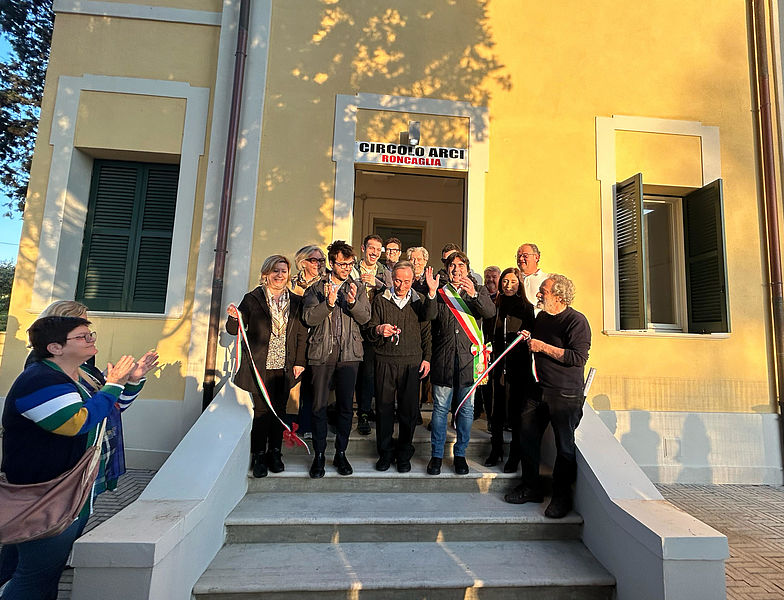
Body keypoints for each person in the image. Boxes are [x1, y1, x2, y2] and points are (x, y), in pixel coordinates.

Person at [0, 316, 157, 599]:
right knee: (36, 577)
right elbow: (76, 422)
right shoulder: (40, 381)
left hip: (72, 489)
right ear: (55, 347)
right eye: (82, 336)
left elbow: (108, 409)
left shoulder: (81, 374)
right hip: (47, 493)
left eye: (90, 334)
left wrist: (131, 381)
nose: (91, 340)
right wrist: (113, 384)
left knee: (30, 566)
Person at [504, 274, 591, 519]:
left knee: (565, 446)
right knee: (527, 437)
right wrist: (528, 336)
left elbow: (577, 358)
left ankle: (561, 498)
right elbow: (535, 341)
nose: (539, 294)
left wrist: (542, 346)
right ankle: (530, 487)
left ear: (559, 296)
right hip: (537, 389)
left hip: (565, 394)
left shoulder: (576, 321)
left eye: (544, 291)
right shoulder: (541, 317)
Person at [226, 255, 308, 478]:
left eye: (283, 271)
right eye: (275, 271)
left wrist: (300, 362)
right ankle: (259, 455)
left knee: (280, 410)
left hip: (285, 366)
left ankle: (275, 453)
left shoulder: (296, 301)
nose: (280, 275)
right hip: (260, 366)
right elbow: (234, 330)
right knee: (262, 412)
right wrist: (233, 318)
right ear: (266, 274)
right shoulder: (252, 299)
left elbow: (301, 334)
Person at [303, 240, 371, 478]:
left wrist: (352, 303)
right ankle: (319, 455)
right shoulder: (316, 289)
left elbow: (365, 318)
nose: (346, 268)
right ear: (332, 263)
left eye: (350, 264)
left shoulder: (357, 288)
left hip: (350, 354)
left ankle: (341, 453)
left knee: (345, 407)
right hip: (322, 353)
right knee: (319, 406)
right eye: (342, 264)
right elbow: (308, 318)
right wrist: (328, 304)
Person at [366, 261, 437, 472]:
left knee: (409, 412)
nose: (401, 285)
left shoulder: (420, 300)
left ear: (413, 280)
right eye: (397, 280)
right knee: (384, 410)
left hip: (411, 363)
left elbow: (428, 328)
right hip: (385, 361)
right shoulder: (380, 299)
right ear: (392, 278)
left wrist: (427, 358)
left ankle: (404, 453)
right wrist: (379, 329)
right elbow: (369, 330)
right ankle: (385, 453)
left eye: (406, 281)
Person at [427, 251, 495, 475]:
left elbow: (489, 312)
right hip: (444, 359)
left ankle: (460, 455)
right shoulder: (440, 292)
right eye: (452, 266)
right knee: (440, 410)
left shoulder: (478, 290)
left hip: (469, 361)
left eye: (461, 266)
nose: (456, 270)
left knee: (466, 410)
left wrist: (474, 294)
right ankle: (437, 456)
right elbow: (429, 316)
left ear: (467, 268)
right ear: (447, 269)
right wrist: (430, 293)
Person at [484, 268, 534, 472]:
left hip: (518, 367)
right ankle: (495, 449)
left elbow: (532, 333)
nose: (508, 285)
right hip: (496, 365)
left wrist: (528, 335)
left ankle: (514, 455)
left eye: (513, 282)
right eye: (505, 281)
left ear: (519, 284)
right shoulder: (495, 304)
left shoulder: (526, 307)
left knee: (515, 413)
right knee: (496, 411)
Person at [353, 234, 392, 435]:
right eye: (371, 248)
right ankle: (356, 411)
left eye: (378, 249)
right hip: (353, 326)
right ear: (363, 248)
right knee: (354, 372)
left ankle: (365, 412)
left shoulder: (385, 272)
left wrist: (378, 284)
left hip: (373, 327)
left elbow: (393, 295)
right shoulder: (353, 269)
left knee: (370, 373)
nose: (375, 252)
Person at [289, 245, 327, 438]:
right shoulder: (291, 283)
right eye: (314, 260)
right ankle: (290, 423)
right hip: (295, 339)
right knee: (293, 383)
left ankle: (309, 424)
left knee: (313, 385)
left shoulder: (326, 283)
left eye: (321, 260)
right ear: (302, 262)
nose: (318, 264)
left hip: (318, 339)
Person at [516, 243, 549, 309]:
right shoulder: (512, 279)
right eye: (518, 256)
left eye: (525, 256)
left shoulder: (546, 280)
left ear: (536, 257)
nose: (521, 258)